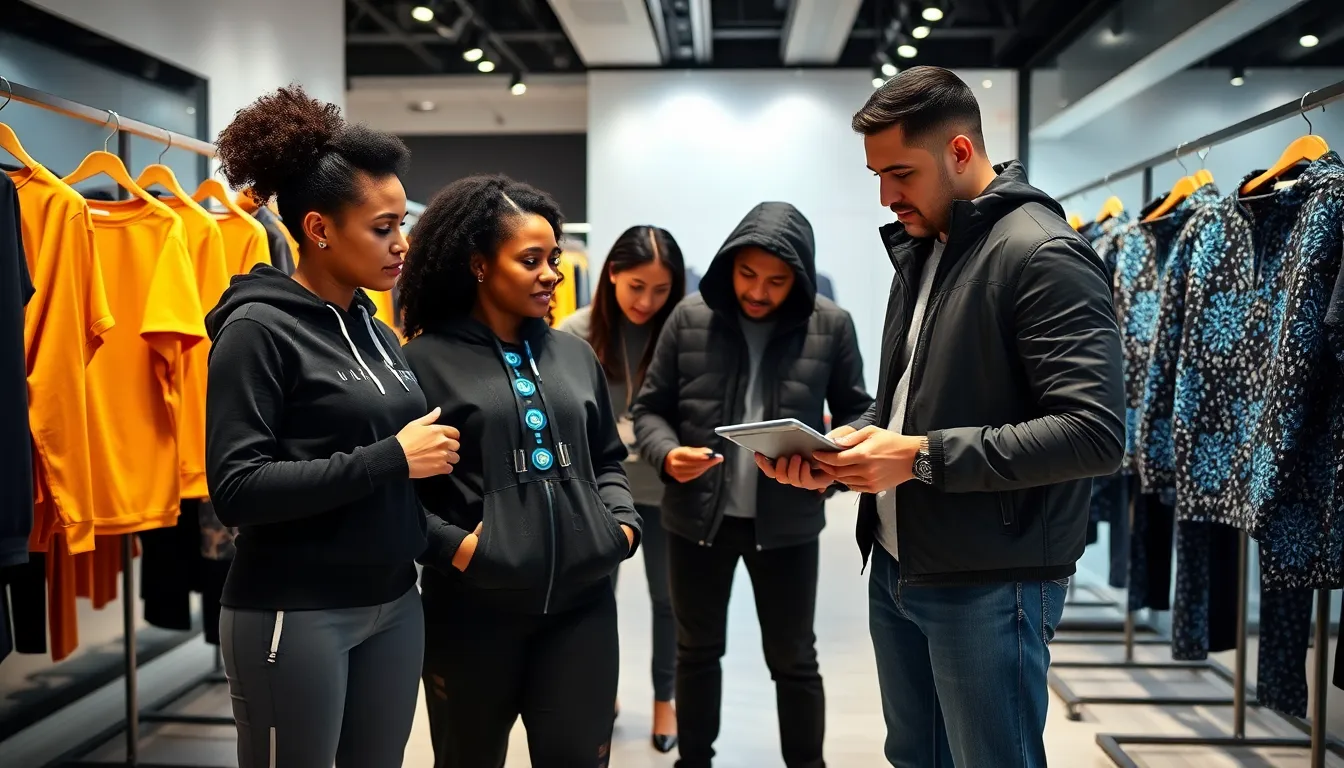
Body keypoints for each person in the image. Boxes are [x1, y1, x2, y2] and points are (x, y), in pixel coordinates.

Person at [760, 66, 1124, 768]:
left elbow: (1094, 433)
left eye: (900, 172)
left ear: (959, 152)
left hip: (994, 579)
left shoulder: (1042, 253)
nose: (886, 194)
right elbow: (911, 404)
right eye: (876, 174)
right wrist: (844, 451)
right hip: (902, 564)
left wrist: (918, 456)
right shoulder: (928, 247)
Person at [205, 86, 459, 768]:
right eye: (383, 228)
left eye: (402, 223)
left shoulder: (374, 328)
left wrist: (449, 541)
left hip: (394, 604)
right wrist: (391, 458)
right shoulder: (256, 331)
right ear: (319, 229)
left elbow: (389, 474)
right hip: (296, 610)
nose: (402, 244)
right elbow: (237, 488)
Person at [398, 174, 643, 768]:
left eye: (553, 258)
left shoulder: (574, 354)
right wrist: (458, 549)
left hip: (583, 610)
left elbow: (606, 456)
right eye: (530, 260)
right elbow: (395, 492)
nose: (552, 273)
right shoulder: (421, 362)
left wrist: (622, 525)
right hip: (471, 615)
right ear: (479, 265)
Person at [632, 201, 873, 768]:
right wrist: (667, 455)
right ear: (728, 265)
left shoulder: (831, 324)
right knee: (696, 652)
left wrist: (828, 463)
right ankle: (694, 761)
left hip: (787, 522)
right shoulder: (688, 318)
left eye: (776, 280)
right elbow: (649, 411)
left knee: (793, 659)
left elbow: (862, 411)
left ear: (800, 278)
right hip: (696, 517)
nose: (758, 292)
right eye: (747, 275)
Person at [558, 225, 687, 753]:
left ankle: (665, 700)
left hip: (665, 490)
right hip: (597, 495)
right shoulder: (573, 333)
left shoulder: (680, 333)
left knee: (668, 601)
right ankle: (600, 695)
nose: (646, 302)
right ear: (611, 275)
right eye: (636, 286)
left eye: (660, 291)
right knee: (596, 600)